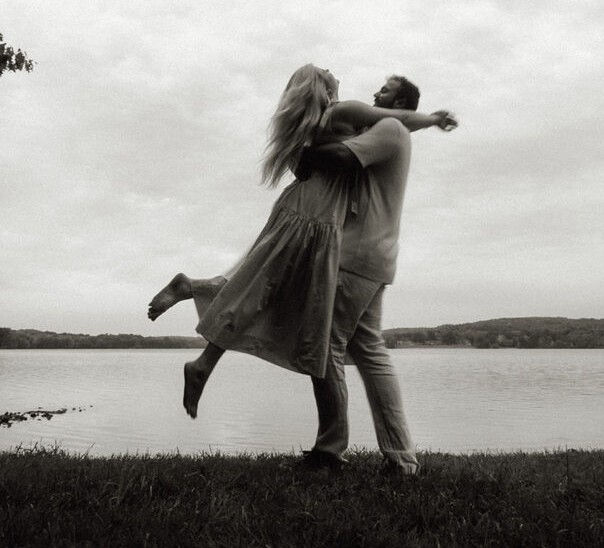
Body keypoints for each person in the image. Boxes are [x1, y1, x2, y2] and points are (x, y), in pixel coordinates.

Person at [147, 65, 456, 423]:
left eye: (384, 90)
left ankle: (198, 306)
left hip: (301, 210)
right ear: (323, 88)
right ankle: (203, 356)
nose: (335, 72)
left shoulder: (309, 125)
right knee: (261, 289)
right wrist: (433, 119)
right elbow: (398, 118)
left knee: (261, 288)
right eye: (328, 72)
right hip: (315, 219)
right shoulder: (344, 111)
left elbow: (320, 160)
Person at [296, 74, 448, 476]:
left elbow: (343, 156)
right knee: (369, 352)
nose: (374, 94)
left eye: (383, 90)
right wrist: (432, 120)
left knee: (327, 346)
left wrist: (307, 150)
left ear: (397, 101)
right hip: (374, 256)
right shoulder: (393, 128)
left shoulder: (391, 128)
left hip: (357, 255)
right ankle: (401, 459)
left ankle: (329, 451)